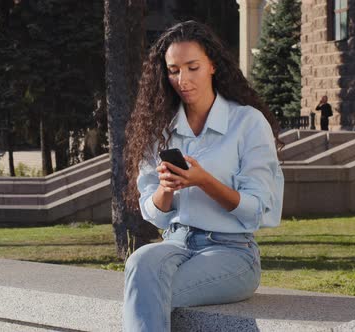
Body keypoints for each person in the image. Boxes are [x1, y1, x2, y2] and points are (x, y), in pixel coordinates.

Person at [122, 21, 285, 331]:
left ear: (212, 64)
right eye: (173, 70)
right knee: (139, 262)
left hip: (231, 252)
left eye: (192, 67)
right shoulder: (160, 128)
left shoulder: (247, 123)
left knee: (146, 292)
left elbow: (256, 210)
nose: (182, 79)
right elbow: (153, 212)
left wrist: (204, 181)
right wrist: (166, 190)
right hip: (175, 244)